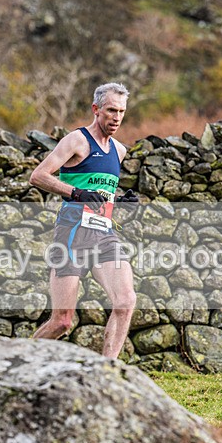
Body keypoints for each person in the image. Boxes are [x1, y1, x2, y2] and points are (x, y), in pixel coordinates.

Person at [29, 82, 138, 359]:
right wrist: (76, 193)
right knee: (62, 322)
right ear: (96, 109)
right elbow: (38, 176)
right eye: (111, 110)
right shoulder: (77, 140)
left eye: (121, 112)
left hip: (104, 235)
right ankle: (18, 363)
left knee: (125, 302)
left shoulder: (119, 150)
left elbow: (99, 194)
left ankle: (107, 373)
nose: (116, 117)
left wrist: (119, 202)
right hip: (73, 233)